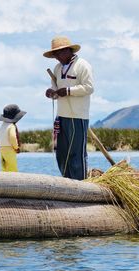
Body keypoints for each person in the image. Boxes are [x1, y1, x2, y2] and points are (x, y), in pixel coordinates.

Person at [43, 36, 94, 180]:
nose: (57, 57)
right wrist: (51, 93)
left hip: (78, 116)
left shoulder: (82, 65)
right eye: (55, 55)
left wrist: (68, 91)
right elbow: (56, 88)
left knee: (76, 153)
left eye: (59, 53)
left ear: (67, 50)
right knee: (62, 153)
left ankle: (81, 184)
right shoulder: (58, 68)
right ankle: (68, 182)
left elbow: (89, 87)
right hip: (61, 115)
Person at [0, 104, 26, 172]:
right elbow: (13, 138)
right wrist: (16, 147)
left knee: (4, 167)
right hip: (10, 149)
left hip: (2, 149)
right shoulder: (11, 126)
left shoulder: (2, 126)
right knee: (12, 167)